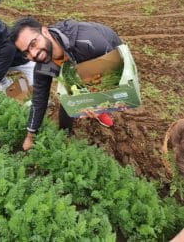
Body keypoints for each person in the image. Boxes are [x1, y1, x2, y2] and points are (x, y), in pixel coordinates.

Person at [10, 17, 123, 151]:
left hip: (102, 56)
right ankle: (65, 134)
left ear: (45, 32)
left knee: (95, 87)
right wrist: (30, 135)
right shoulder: (41, 66)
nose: (33, 54)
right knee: (70, 96)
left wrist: (99, 103)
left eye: (33, 43)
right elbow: (39, 100)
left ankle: (101, 113)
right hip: (72, 66)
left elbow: (115, 76)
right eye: (26, 52)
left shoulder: (90, 43)